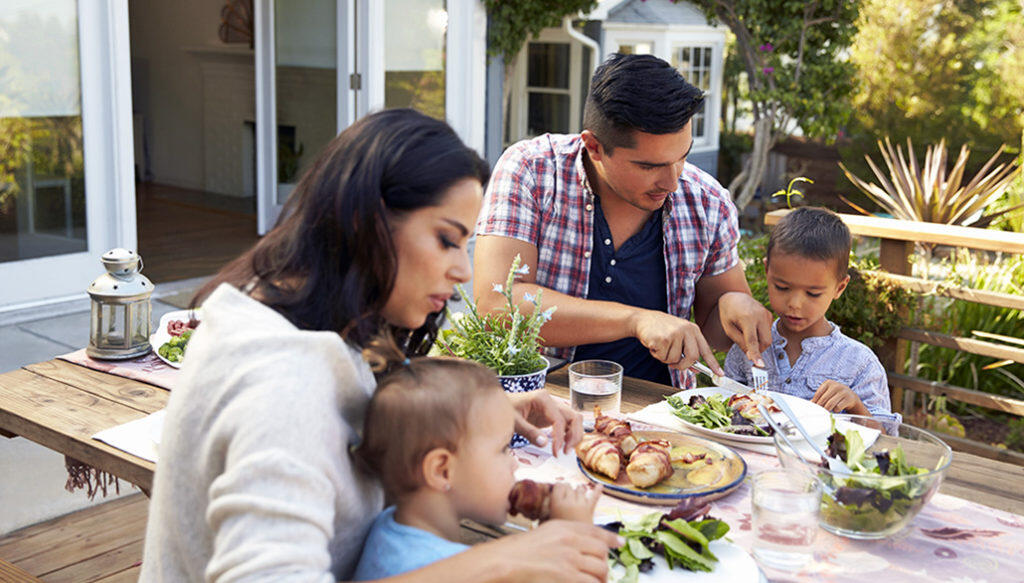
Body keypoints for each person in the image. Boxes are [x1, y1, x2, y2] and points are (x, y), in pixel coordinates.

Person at [140, 108, 619, 582]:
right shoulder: (283, 380)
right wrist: (506, 559)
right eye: (446, 239)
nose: (464, 271)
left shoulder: (282, 319)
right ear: (365, 222)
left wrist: (479, 418)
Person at [473, 53, 772, 390]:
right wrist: (635, 320)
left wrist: (733, 307)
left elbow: (714, 334)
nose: (672, 182)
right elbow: (497, 307)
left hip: (662, 410)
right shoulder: (531, 171)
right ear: (594, 147)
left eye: (682, 157)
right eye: (649, 166)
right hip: (543, 403)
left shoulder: (707, 202)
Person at [351, 346, 602, 580]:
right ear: (442, 470)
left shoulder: (389, 527)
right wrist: (572, 531)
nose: (514, 464)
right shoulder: (442, 569)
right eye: (503, 450)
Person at [723, 207, 900, 421]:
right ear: (767, 270)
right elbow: (722, 413)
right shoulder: (748, 346)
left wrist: (855, 405)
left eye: (813, 293)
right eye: (782, 287)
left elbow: (884, 439)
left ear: (839, 288)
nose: (795, 304)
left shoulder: (859, 363)